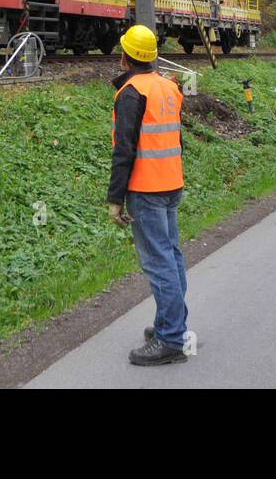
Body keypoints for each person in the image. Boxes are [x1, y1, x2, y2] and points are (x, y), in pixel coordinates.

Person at [108, 23, 189, 366]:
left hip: (147, 189)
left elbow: (123, 150)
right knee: (171, 256)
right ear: (152, 57)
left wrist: (115, 199)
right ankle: (168, 326)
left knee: (159, 264)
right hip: (171, 183)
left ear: (124, 57)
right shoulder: (169, 87)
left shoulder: (131, 93)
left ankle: (170, 339)